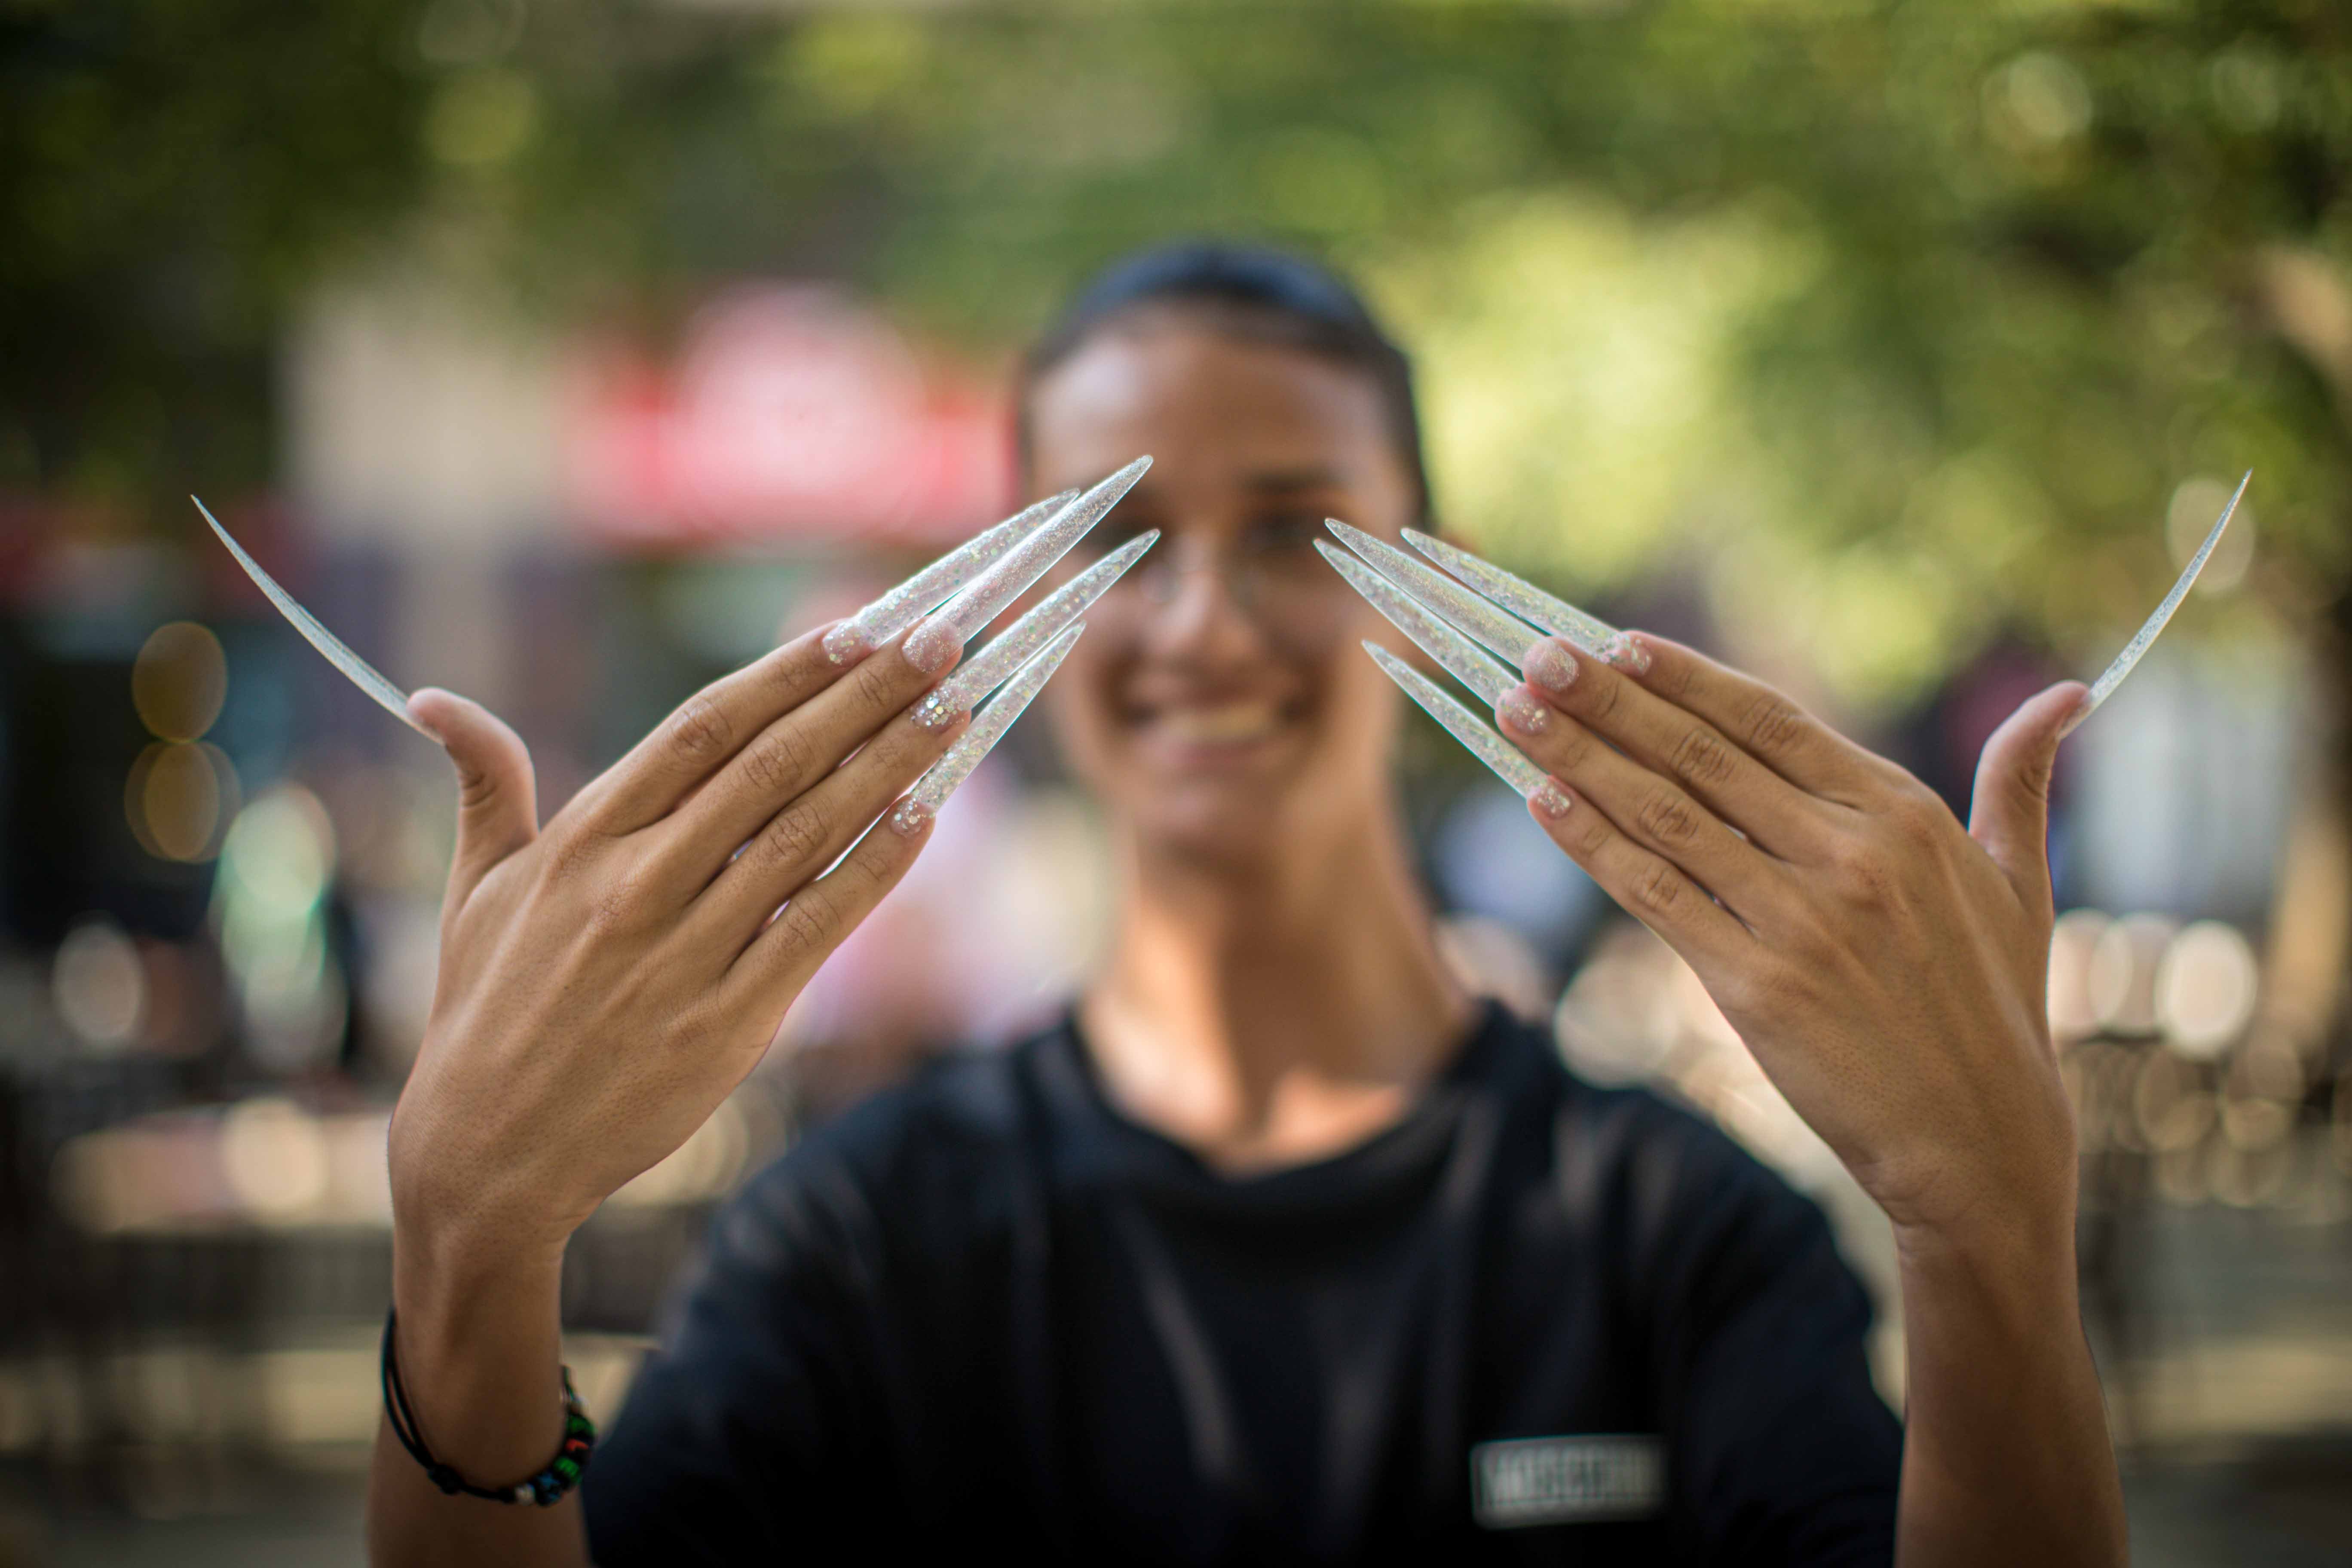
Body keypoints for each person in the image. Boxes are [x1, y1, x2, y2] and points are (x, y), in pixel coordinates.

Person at [367, 243, 2126, 1565]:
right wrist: (468, 1258)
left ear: (1436, 579)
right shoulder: (858, 1242)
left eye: (1297, 534)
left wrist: (1993, 1235)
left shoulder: (1675, 1238)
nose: (1207, 625)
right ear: (1017, 600)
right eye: (1117, 542)